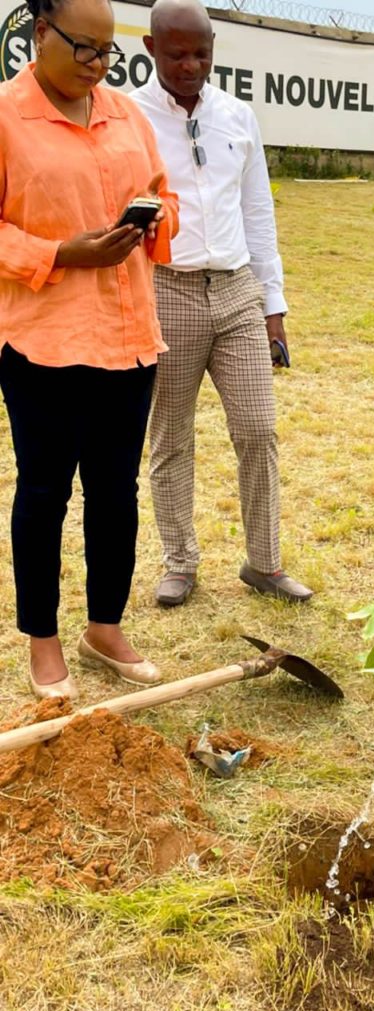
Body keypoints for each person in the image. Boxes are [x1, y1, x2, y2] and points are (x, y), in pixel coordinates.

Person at [0, 0, 179, 700]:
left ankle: (104, 626)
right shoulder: (7, 117)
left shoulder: (125, 114)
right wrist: (60, 253)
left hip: (129, 339)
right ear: (40, 33)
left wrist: (153, 222)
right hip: (45, 344)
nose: (99, 66)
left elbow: (162, 196)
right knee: (44, 493)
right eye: (84, 49)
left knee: (116, 492)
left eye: (109, 51)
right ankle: (42, 641)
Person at [132, 0, 312, 608]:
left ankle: (264, 563)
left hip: (237, 291)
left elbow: (258, 213)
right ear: (151, 49)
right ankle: (179, 562)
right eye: (177, 53)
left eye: (202, 53)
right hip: (167, 291)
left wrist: (274, 306)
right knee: (171, 436)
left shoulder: (238, 116)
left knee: (259, 429)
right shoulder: (129, 119)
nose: (191, 65)